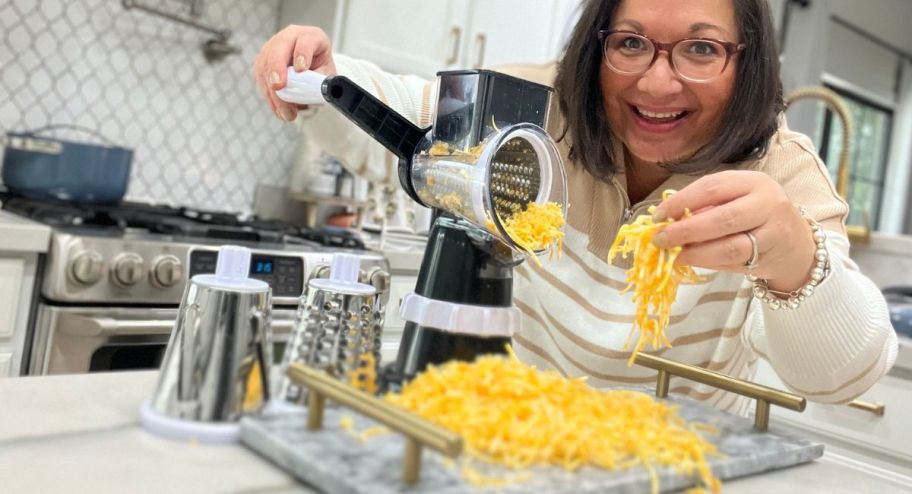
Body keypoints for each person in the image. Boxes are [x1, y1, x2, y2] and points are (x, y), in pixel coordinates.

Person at [253, 0, 897, 415]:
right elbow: (403, 117)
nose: (657, 82)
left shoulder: (782, 169)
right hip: (514, 439)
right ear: (598, 48)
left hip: (674, 462)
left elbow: (845, 373)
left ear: (746, 63)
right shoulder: (535, 107)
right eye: (631, 44)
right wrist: (317, 77)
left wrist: (796, 260)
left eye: (701, 49)